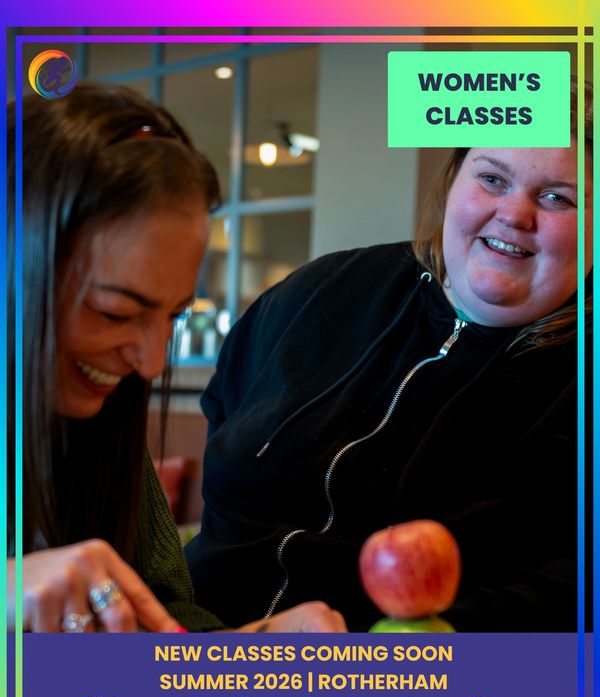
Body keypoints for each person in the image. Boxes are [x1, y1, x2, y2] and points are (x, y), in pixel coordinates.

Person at [186, 78, 592, 632]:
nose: (514, 214)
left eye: (557, 198)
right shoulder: (324, 290)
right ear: (453, 182)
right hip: (197, 641)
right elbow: (225, 407)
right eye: (492, 179)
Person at [7, 82, 346, 634]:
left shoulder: (102, 416)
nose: (149, 363)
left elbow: (162, 625)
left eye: (173, 316)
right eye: (114, 312)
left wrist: (249, 647)